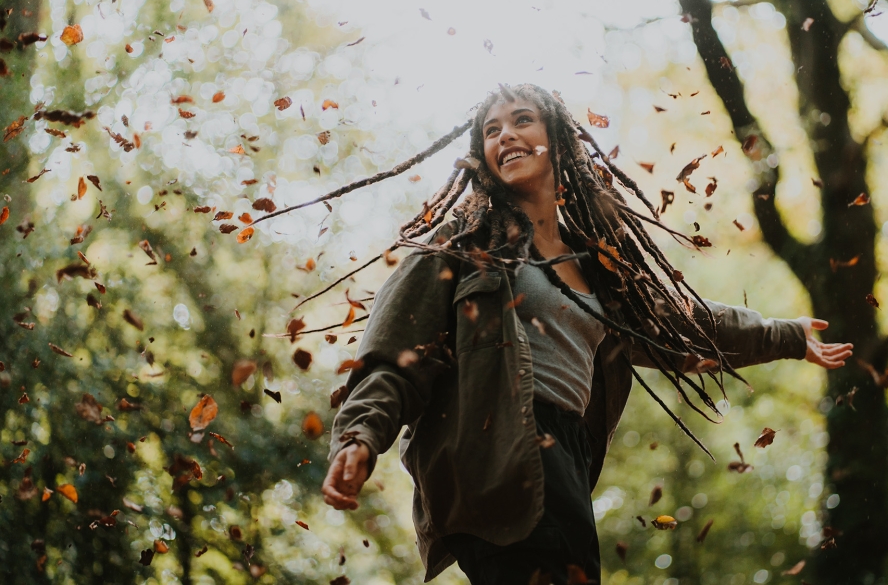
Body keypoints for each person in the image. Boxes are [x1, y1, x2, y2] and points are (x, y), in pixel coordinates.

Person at [320, 84, 853, 584]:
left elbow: (681, 324)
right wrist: (359, 435)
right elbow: (392, 354)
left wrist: (787, 335)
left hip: (568, 453)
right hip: (496, 451)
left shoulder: (596, 264)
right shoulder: (460, 247)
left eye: (522, 120)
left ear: (556, 139)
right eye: (491, 129)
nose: (504, 134)